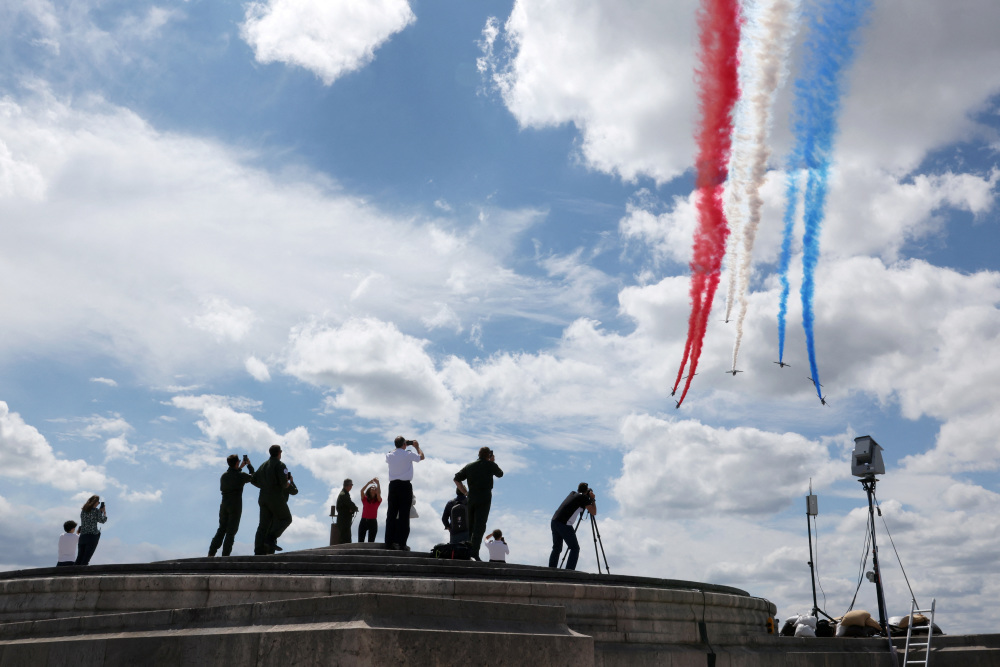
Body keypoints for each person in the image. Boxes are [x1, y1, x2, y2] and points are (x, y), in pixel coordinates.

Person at [453, 446, 503, 561]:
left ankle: (466, 551)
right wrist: (492, 462)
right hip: (484, 497)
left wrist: (465, 492)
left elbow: (456, 478)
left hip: (471, 497)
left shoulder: (470, 466)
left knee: (470, 525)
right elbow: (500, 474)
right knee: (479, 526)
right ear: (488, 455)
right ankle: (474, 552)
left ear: (479, 454)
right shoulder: (491, 465)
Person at [208, 454, 256, 557]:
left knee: (221, 529)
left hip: (224, 504)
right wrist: (249, 465)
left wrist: (239, 467)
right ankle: (225, 556)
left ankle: (211, 553)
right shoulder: (241, 476)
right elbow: (253, 477)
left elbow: (233, 473)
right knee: (231, 532)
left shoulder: (224, 476)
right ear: (237, 462)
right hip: (235, 505)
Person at [251, 444, 294, 555]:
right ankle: (271, 538)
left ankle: (258, 550)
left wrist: (264, 486)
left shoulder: (263, 465)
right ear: (280, 452)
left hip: (263, 497)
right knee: (287, 519)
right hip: (275, 497)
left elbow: (253, 480)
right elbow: (283, 483)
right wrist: (288, 484)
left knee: (263, 525)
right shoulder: (280, 465)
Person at [384, 436, 424, 551]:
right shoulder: (408, 454)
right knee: (404, 516)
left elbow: (391, 452)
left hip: (393, 486)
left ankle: (389, 542)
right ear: (404, 444)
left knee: (391, 515)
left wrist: (400, 446)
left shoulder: (389, 455)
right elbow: (422, 457)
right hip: (405, 486)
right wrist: (417, 447)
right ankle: (402, 543)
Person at [548, 482, 596, 571]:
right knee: (575, 548)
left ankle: (551, 570)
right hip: (564, 524)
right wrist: (592, 499)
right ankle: (569, 571)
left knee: (557, 548)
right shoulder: (584, 498)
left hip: (554, 521)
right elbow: (593, 512)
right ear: (586, 491)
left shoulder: (573, 494)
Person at [74, 496, 107, 565]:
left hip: (83, 536)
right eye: (98, 502)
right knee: (86, 559)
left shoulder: (83, 511)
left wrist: (99, 512)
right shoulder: (95, 511)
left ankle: (72, 573)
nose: (98, 503)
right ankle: (81, 574)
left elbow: (90, 519)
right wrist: (104, 512)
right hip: (92, 536)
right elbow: (102, 520)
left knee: (79, 558)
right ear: (95, 502)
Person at [358, 478, 382, 543]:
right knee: (360, 541)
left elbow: (379, 494)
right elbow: (361, 491)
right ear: (369, 490)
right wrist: (369, 483)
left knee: (371, 542)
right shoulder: (365, 499)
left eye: (375, 487)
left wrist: (378, 484)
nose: (373, 488)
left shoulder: (378, 500)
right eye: (371, 487)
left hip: (373, 522)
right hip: (364, 521)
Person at [336, 479, 358, 544]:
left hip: (345, 519)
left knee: (346, 537)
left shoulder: (345, 494)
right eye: (351, 485)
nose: (351, 487)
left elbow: (350, 505)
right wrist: (353, 508)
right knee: (345, 538)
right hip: (343, 519)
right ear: (347, 485)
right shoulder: (343, 494)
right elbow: (349, 504)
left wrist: (352, 509)